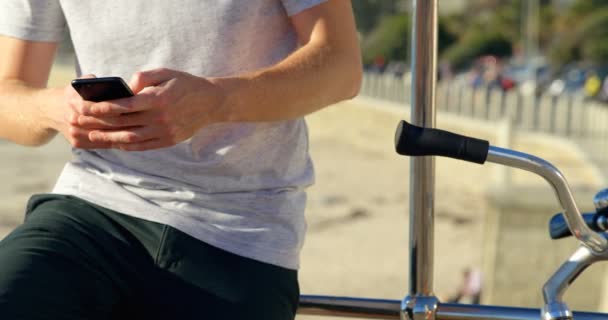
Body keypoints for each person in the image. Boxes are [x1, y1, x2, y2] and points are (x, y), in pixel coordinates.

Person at [0, 1, 362, 319]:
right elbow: (8, 92)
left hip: (239, 229)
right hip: (91, 205)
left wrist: (217, 101)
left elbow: (341, 65)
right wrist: (57, 110)